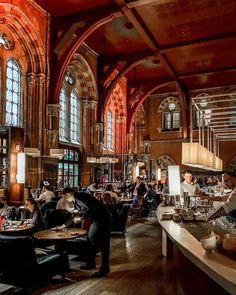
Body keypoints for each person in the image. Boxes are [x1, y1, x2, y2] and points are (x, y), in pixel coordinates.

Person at [55, 188, 111, 278]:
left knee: (103, 244)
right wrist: (63, 226)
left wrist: (82, 218)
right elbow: (75, 215)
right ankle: (91, 264)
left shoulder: (79, 196)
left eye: (64, 197)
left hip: (102, 218)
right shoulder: (75, 200)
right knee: (91, 240)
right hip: (97, 219)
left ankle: (104, 269)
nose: (64, 199)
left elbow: (91, 208)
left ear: (68, 194)